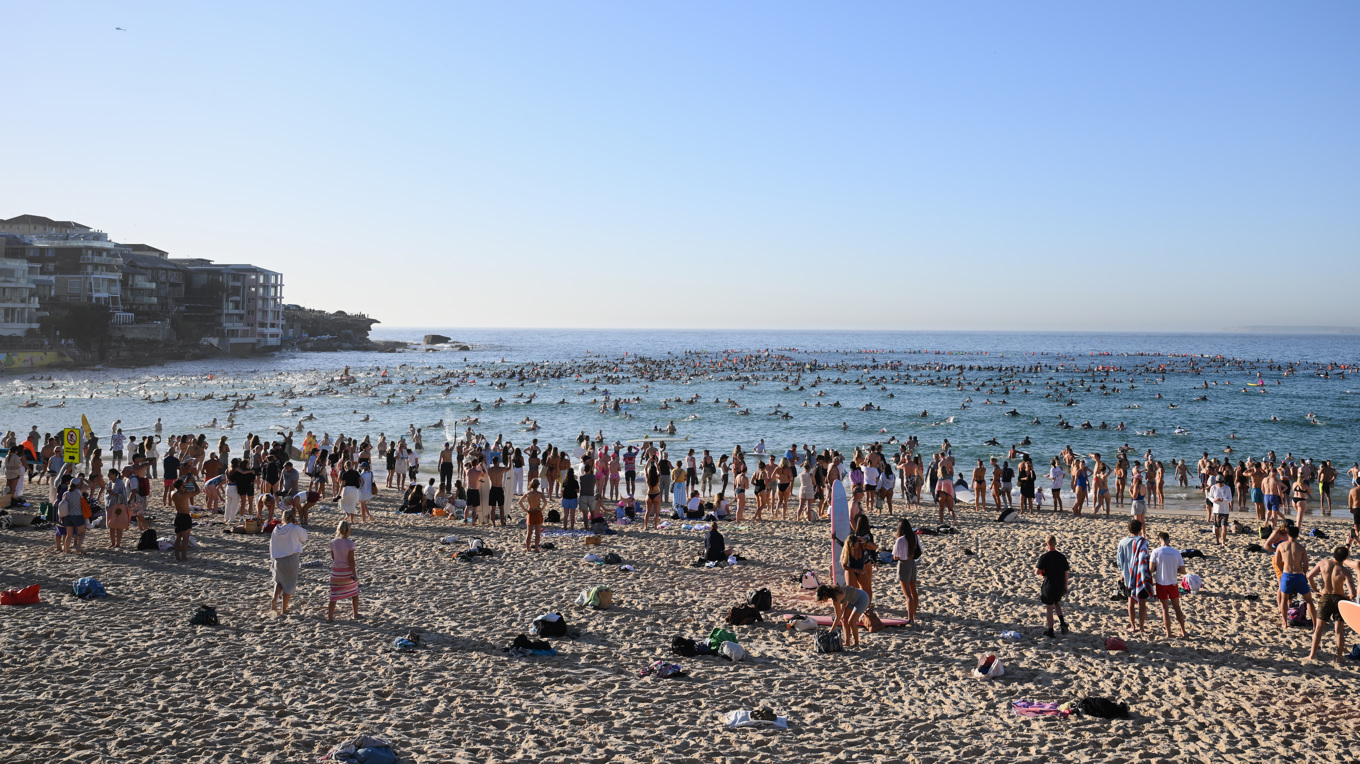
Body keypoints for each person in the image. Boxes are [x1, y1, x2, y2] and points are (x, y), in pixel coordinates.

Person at [1307, 546, 1357, 662]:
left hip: (1325, 597)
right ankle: (1338, 658)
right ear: (1346, 557)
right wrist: (1347, 598)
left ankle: (1312, 655)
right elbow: (1353, 594)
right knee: (1339, 631)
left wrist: (1316, 591)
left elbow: (1309, 576)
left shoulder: (1323, 563)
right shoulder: (1345, 571)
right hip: (1339, 599)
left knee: (1319, 629)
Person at [1273, 524, 1315, 632]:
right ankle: (1315, 624)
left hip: (1287, 574)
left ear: (1287, 534)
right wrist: (1304, 572)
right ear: (1298, 535)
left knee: (1284, 599)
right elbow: (1306, 564)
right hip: (1298, 575)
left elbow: (1277, 562)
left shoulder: (1281, 546)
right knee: (1309, 600)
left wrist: (1283, 571)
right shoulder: (1301, 548)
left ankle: (1284, 622)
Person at [1149, 531, 1188, 638]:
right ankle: (1183, 631)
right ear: (1169, 541)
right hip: (1173, 583)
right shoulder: (1176, 552)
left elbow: (1151, 569)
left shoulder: (1156, 551)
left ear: (1159, 541)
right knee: (1177, 607)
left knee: (1165, 609)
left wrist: (1158, 567)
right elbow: (1183, 571)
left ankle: (1169, 633)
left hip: (1161, 583)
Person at [269, 508, 308, 615]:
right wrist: (297, 525)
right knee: (289, 584)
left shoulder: (276, 529)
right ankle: (284, 609)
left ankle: (274, 599)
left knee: (279, 581)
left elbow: (272, 544)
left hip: (278, 559)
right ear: (292, 518)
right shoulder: (295, 528)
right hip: (291, 558)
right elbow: (305, 537)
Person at [1116, 520, 1152, 632]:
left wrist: (1122, 573)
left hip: (1128, 576)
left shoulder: (1122, 542)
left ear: (1129, 529)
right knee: (1142, 603)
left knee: (1130, 602)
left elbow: (1120, 561)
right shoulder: (1142, 541)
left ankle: (1133, 626)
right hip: (1140, 576)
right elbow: (1146, 558)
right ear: (1140, 530)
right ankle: (1141, 627)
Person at [1036, 535, 1069, 637]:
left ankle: (1051, 631)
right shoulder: (1062, 557)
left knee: (1049, 608)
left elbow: (1037, 572)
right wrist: (1065, 586)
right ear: (1056, 544)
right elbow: (1066, 573)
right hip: (1060, 585)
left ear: (1046, 544)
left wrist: (1044, 572)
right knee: (1057, 603)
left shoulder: (1044, 557)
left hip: (1048, 586)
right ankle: (1062, 622)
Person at [327, 520, 359, 623]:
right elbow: (351, 560)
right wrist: (354, 574)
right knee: (354, 594)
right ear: (349, 531)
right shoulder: (350, 544)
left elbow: (333, 557)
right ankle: (355, 614)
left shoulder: (333, 542)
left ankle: (330, 617)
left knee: (334, 596)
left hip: (336, 572)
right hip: (347, 573)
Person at [892, 518, 921, 625]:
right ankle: (913, 615)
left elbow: (895, 557)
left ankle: (910, 618)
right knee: (914, 591)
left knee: (908, 595)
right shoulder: (914, 537)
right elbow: (920, 551)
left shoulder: (900, 540)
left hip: (904, 564)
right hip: (913, 563)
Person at [170, 475, 200, 562]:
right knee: (185, 539)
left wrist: (185, 483)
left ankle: (177, 556)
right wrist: (193, 482)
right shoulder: (185, 494)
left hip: (178, 516)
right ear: (180, 486)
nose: (185, 486)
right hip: (185, 517)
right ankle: (183, 557)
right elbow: (197, 491)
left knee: (178, 538)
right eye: (183, 485)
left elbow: (179, 488)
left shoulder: (173, 494)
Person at [56, 477, 87, 554]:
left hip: (67, 516)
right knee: (82, 532)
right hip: (77, 514)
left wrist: (61, 517)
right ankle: (78, 546)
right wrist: (84, 479)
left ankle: (66, 551)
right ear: (78, 484)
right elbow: (90, 484)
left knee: (68, 535)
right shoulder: (79, 492)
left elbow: (62, 506)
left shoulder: (65, 493)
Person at [519, 478, 545, 552]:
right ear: (538, 485)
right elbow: (545, 502)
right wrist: (542, 509)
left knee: (529, 533)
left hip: (530, 512)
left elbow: (520, 502)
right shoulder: (539, 494)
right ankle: (536, 549)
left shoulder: (528, 493)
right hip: (537, 512)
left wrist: (525, 510)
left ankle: (528, 548)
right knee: (537, 533)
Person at [1207, 475, 1233, 547]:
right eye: (1218, 482)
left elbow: (1230, 499)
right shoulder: (1213, 487)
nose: (1219, 483)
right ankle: (1217, 540)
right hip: (1216, 510)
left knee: (1224, 526)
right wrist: (1214, 500)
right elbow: (1210, 497)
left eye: (1221, 482)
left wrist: (1223, 500)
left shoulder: (1227, 488)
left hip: (1225, 510)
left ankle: (1223, 542)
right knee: (1217, 527)